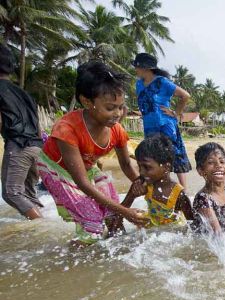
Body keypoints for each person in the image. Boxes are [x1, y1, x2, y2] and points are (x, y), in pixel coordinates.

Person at [37, 61, 148, 244]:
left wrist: (142, 186)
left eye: (121, 107)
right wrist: (126, 212)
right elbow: (82, 183)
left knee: (112, 215)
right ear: (87, 102)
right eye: (110, 108)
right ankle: (74, 261)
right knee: (92, 221)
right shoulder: (67, 129)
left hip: (86, 167)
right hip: (57, 169)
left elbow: (127, 165)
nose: (118, 114)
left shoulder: (117, 130)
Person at [133, 53, 192, 188]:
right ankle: (163, 188)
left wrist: (176, 113)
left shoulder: (162, 82)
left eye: (137, 66)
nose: (135, 70)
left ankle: (183, 192)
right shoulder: (138, 84)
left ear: (145, 68)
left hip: (165, 125)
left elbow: (185, 96)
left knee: (173, 155)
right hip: (149, 127)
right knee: (155, 158)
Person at [0, 44, 43, 219]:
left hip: (18, 146)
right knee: (29, 194)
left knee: (12, 193)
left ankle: (41, 225)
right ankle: (40, 221)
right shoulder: (23, 93)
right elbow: (38, 124)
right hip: (36, 147)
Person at [121, 135, 194, 227]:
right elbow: (121, 209)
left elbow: (193, 224)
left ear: (166, 167)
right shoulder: (143, 183)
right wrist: (133, 195)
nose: (141, 172)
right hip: (150, 227)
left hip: (171, 233)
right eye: (139, 167)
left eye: (147, 167)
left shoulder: (179, 194)